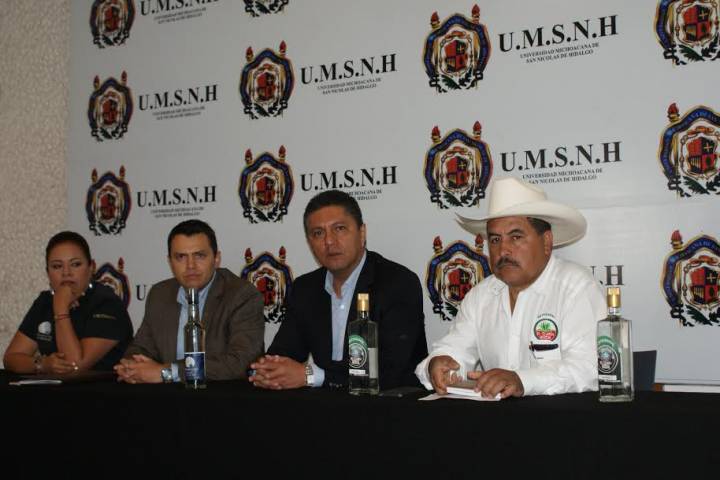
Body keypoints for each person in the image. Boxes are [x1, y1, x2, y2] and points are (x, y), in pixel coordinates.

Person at [416, 177, 605, 398]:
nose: (503, 250)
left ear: (546, 242)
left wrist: (522, 380)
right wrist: (438, 364)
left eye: (516, 237)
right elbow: (454, 350)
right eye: (495, 240)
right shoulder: (481, 296)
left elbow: (590, 368)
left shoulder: (576, 287)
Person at [250, 190, 428, 390]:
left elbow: (391, 371)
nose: (329, 241)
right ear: (309, 242)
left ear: (362, 233)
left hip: (388, 403)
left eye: (339, 229)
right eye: (318, 233)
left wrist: (312, 376)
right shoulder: (305, 288)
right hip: (325, 406)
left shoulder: (398, 283)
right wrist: (268, 371)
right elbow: (283, 353)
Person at [114, 219, 264, 383]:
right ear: (170, 262)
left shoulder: (241, 295)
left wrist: (167, 373)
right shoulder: (160, 294)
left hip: (219, 395)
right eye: (181, 257)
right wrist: (130, 366)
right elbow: (140, 349)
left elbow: (240, 362)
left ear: (216, 259)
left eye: (199, 256)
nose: (190, 265)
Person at [3, 231, 133, 373]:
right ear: (48, 273)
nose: (66, 273)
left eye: (75, 264)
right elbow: (11, 358)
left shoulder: (107, 303)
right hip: (52, 387)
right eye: (57, 266)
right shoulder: (45, 301)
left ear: (91, 268)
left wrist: (60, 308)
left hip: (102, 387)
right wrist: (41, 364)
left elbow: (73, 366)